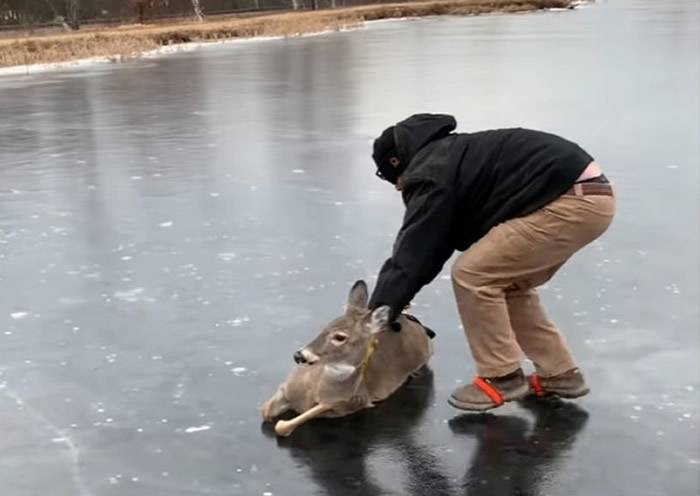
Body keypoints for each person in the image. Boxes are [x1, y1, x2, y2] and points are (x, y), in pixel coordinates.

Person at [368, 114, 615, 411]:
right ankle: (560, 374)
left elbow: (417, 249)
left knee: (473, 275)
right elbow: (436, 241)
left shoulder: (430, 170)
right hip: (592, 198)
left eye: (391, 177)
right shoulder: (452, 156)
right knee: (509, 284)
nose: (397, 188)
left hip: (567, 201)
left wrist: (378, 312)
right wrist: (396, 298)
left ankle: (501, 377)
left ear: (397, 162)